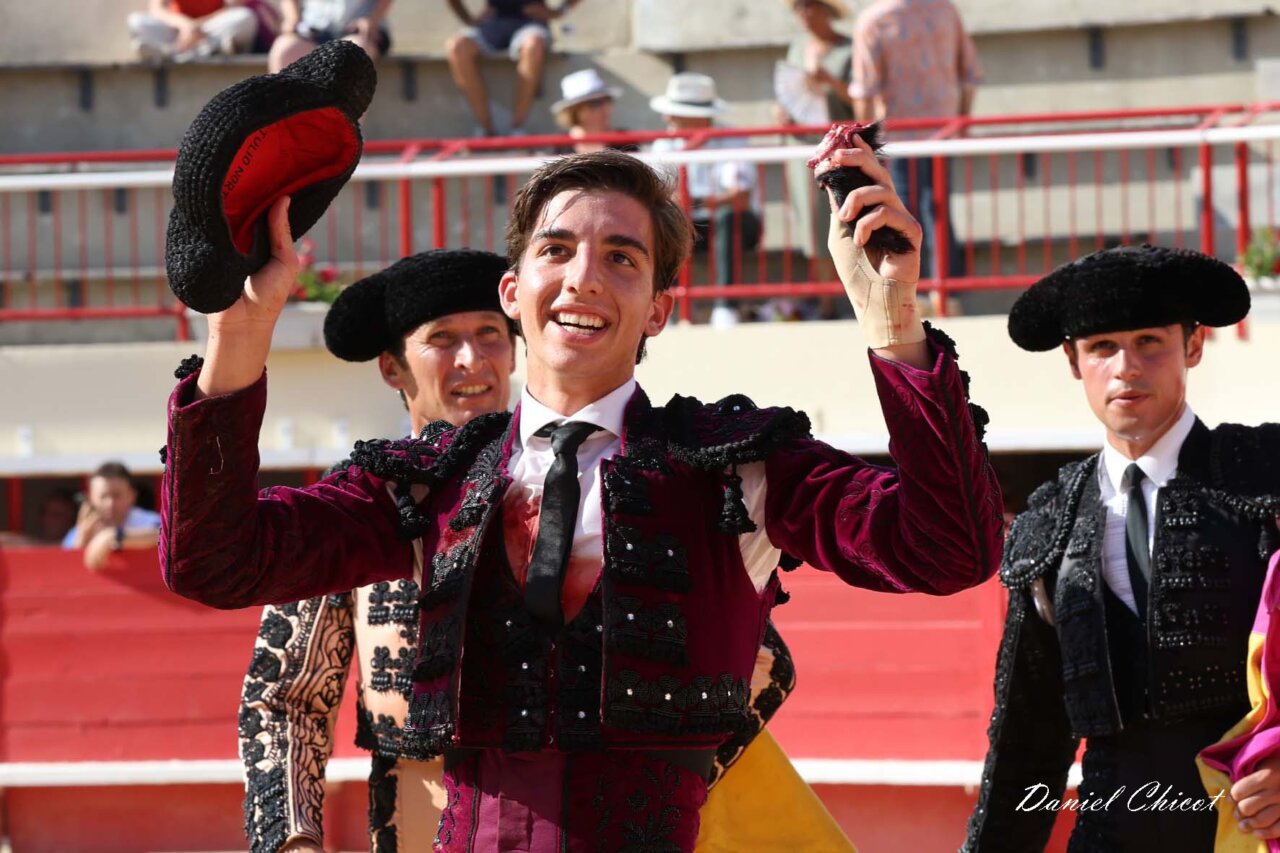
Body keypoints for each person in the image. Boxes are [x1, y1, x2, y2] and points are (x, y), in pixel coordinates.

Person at [160, 143, 1002, 850]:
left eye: (622, 258)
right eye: (557, 250)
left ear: (660, 307)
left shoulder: (733, 465)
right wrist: (239, 332)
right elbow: (214, 560)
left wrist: (894, 325)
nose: (584, 279)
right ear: (513, 290)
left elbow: (946, 548)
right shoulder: (429, 479)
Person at [963, 245, 1280, 851]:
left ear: (1192, 346)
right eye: (1102, 347)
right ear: (1073, 361)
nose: (1127, 367)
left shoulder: (1266, 474)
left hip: (1253, 827)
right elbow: (1028, 734)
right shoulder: (1051, 518)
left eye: (1149, 342)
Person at [241, 250, 517, 853]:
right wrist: (294, 841)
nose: (472, 359)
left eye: (490, 334)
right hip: (414, 819)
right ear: (393, 368)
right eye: (442, 339)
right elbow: (286, 696)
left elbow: (755, 664)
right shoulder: (361, 498)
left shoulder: (573, 472)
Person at [850, 0, 981, 282]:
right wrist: (961, 122)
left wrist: (864, 146)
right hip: (943, 132)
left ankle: (912, 287)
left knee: (902, 213)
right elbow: (970, 74)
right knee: (939, 209)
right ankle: (948, 289)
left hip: (899, 137)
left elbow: (864, 92)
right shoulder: (944, 9)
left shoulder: (874, 20)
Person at [650, 72, 762, 327]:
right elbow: (659, 198)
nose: (668, 118)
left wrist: (690, 202)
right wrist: (691, 203)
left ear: (700, 117)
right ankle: (664, 305)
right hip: (687, 224)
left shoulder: (733, 140)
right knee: (663, 222)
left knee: (726, 217)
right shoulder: (663, 145)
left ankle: (726, 307)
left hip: (732, 225)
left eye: (676, 112)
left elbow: (740, 198)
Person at [774, 0, 854, 319]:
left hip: (837, 148)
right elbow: (788, 94)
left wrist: (832, 83)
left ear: (825, 9)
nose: (804, 14)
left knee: (838, 221)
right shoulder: (796, 48)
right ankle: (825, 303)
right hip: (801, 147)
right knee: (809, 224)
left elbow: (860, 101)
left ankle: (839, 300)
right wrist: (780, 112)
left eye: (809, 6)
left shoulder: (848, 49)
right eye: (799, 8)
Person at [445, 0, 583, 137]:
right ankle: (486, 130)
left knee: (533, 45)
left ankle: (517, 129)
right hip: (493, 23)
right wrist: (469, 20)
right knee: (457, 47)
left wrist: (556, 12)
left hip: (530, 23)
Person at [64, 461, 161, 571]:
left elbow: (164, 536)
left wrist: (113, 536)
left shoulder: (147, 521)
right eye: (103, 496)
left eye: (117, 495)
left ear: (132, 496)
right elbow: (68, 571)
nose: (110, 504)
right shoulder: (78, 532)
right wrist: (81, 542)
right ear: (91, 498)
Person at [269, 0, 392, 74]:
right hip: (313, 27)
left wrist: (373, 19)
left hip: (356, 28)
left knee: (355, 51)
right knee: (285, 49)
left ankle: (349, 117)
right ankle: (283, 115)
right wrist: (292, 18)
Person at [126, 0, 265, 62]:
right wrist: (184, 25)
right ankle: (202, 51)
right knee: (136, 21)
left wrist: (195, 27)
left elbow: (233, 7)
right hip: (178, 32)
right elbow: (157, 9)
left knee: (246, 17)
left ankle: (172, 53)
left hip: (209, 30)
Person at [550, 68, 634, 155]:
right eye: (595, 104)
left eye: (607, 100)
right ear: (575, 111)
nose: (605, 108)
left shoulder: (625, 141)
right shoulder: (561, 143)